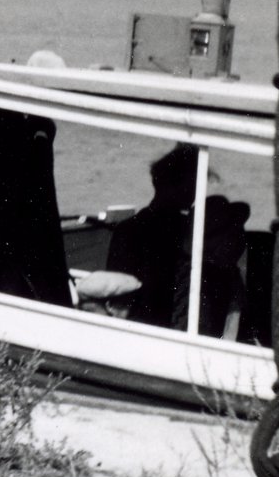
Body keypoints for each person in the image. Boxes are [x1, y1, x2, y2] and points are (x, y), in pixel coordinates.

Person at [105, 143, 248, 336]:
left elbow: (117, 297)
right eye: (192, 184)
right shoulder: (190, 232)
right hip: (160, 330)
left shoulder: (129, 229)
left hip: (143, 331)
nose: (195, 191)